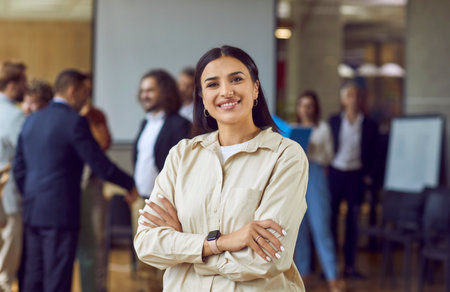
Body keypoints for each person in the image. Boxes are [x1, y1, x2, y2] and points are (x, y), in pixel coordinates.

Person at [134, 45, 309, 291]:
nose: (226, 91)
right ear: (203, 98)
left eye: (236, 79)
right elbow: (147, 244)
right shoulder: (182, 155)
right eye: (213, 84)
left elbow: (267, 258)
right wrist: (221, 243)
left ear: (255, 88)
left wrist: (185, 250)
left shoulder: (285, 156)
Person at [13, 69, 138, 292]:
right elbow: (101, 165)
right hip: (60, 212)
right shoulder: (74, 122)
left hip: (33, 210)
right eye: (85, 93)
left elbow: (19, 169)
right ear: (73, 91)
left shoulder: (31, 121)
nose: (86, 99)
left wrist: (33, 195)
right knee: (57, 278)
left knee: (32, 276)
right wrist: (131, 184)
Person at [131, 69, 191, 290]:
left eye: (150, 90)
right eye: (142, 91)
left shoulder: (179, 125)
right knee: (144, 262)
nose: (145, 95)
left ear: (164, 92)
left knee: (165, 265)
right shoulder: (144, 123)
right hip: (141, 201)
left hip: (166, 206)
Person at [328, 83, 378, 279]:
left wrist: (369, 176)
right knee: (331, 220)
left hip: (356, 176)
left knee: (352, 222)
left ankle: (350, 266)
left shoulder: (370, 124)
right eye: (349, 95)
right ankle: (331, 267)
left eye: (357, 95)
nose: (354, 99)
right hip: (336, 174)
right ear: (343, 100)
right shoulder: (333, 121)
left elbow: (376, 154)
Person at [294, 91, 340, 292]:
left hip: (316, 174)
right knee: (299, 229)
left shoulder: (323, 128)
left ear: (315, 107)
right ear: (298, 108)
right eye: (302, 105)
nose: (305, 109)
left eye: (309, 105)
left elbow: (329, 156)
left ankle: (332, 277)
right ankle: (303, 275)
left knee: (321, 227)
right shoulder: (291, 129)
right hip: (295, 178)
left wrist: (313, 149)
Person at [77, 75, 111, 292]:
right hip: (68, 185)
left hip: (92, 182)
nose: (87, 94)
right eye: (84, 89)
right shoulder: (63, 116)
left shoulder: (95, 115)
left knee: (96, 237)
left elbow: (103, 143)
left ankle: (97, 287)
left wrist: (86, 119)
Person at [0, 61, 27, 292]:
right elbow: (26, 151)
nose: (26, 88)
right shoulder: (14, 115)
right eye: (23, 83)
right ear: (12, 84)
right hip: (7, 190)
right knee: (10, 243)